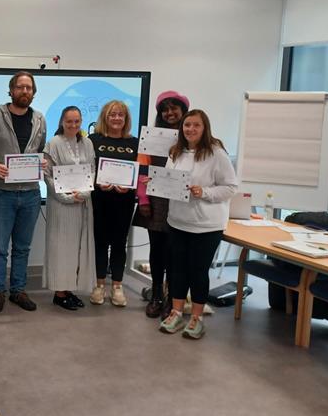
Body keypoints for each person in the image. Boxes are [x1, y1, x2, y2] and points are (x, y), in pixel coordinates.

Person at [159, 109, 237, 339]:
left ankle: (196, 318)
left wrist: (204, 192)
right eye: (187, 125)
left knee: (198, 272)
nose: (190, 129)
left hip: (206, 225)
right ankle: (175, 312)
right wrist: (155, 182)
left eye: (196, 125)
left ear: (205, 128)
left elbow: (231, 187)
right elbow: (168, 180)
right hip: (178, 221)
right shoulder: (175, 152)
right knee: (177, 270)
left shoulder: (216, 153)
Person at [0, 71, 47, 313]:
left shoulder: (40, 119)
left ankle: (18, 290)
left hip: (30, 193)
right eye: (20, 87)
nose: (24, 91)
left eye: (29, 88)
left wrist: (43, 163)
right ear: (11, 90)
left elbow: (41, 151)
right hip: (2, 193)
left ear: (34, 92)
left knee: (23, 247)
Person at [132, 90, 190, 318]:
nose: (169, 113)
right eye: (164, 109)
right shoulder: (152, 137)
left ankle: (171, 299)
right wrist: (143, 199)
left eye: (174, 108)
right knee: (157, 251)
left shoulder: (192, 137)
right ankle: (156, 295)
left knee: (176, 253)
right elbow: (142, 169)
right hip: (155, 200)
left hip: (182, 201)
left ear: (184, 110)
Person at [43, 106, 96, 310]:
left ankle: (69, 288)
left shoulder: (88, 143)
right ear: (62, 122)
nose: (73, 125)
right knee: (60, 248)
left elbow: (91, 170)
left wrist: (85, 193)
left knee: (77, 248)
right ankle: (59, 292)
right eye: (69, 121)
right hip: (61, 206)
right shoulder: (53, 143)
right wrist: (64, 197)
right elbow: (47, 175)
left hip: (82, 204)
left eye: (77, 121)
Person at [89, 100, 138, 307]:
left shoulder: (135, 143)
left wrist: (130, 187)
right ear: (105, 118)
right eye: (112, 115)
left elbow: (140, 174)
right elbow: (86, 170)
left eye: (121, 115)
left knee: (119, 243)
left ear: (126, 119)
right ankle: (99, 285)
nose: (117, 118)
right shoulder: (93, 140)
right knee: (99, 242)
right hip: (100, 200)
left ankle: (117, 287)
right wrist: (97, 183)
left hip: (124, 201)